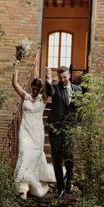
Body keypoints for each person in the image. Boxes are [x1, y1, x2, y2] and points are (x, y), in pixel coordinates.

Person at [12, 60, 51, 199]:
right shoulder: (25, 96)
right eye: (33, 88)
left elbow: (48, 89)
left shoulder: (43, 99)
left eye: (37, 89)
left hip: (37, 132)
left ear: (40, 90)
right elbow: (15, 84)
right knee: (23, 154)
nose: (34, 91)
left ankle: (30, 184)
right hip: (25, 130)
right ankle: (22, 188)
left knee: (33, 158)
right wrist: (16, 68)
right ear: (31, 87)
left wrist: (48, 77)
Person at [45, 65, 81, 199]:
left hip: (69, 128)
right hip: (56, 129)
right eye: (60, 78)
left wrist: (77, 124)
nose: (62, 80)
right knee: (56, 159)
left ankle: (69, 182)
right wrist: (48, 78)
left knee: (69, 155)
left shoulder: (78, 90)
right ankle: (60, 188)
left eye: (65, 77)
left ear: (69, 76)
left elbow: (79, 109)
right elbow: (49, 91)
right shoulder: (55, 87)